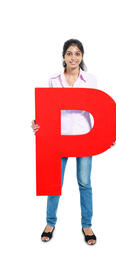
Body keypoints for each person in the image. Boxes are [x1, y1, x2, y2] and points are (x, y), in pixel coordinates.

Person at [31, 39, 98, 245]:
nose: (73, 57)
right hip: (58, 138)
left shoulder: (90, 80)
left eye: (77, 53)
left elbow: (96, 109)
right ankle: (50, 222)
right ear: (63, 56)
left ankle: (87, 225)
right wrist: (39, 126)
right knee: (54, 183)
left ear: (82, 57)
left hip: (84, 137)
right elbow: (48, 110)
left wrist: (105, 134)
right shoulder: (54, 80)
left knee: (85, 183)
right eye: (69, 53)